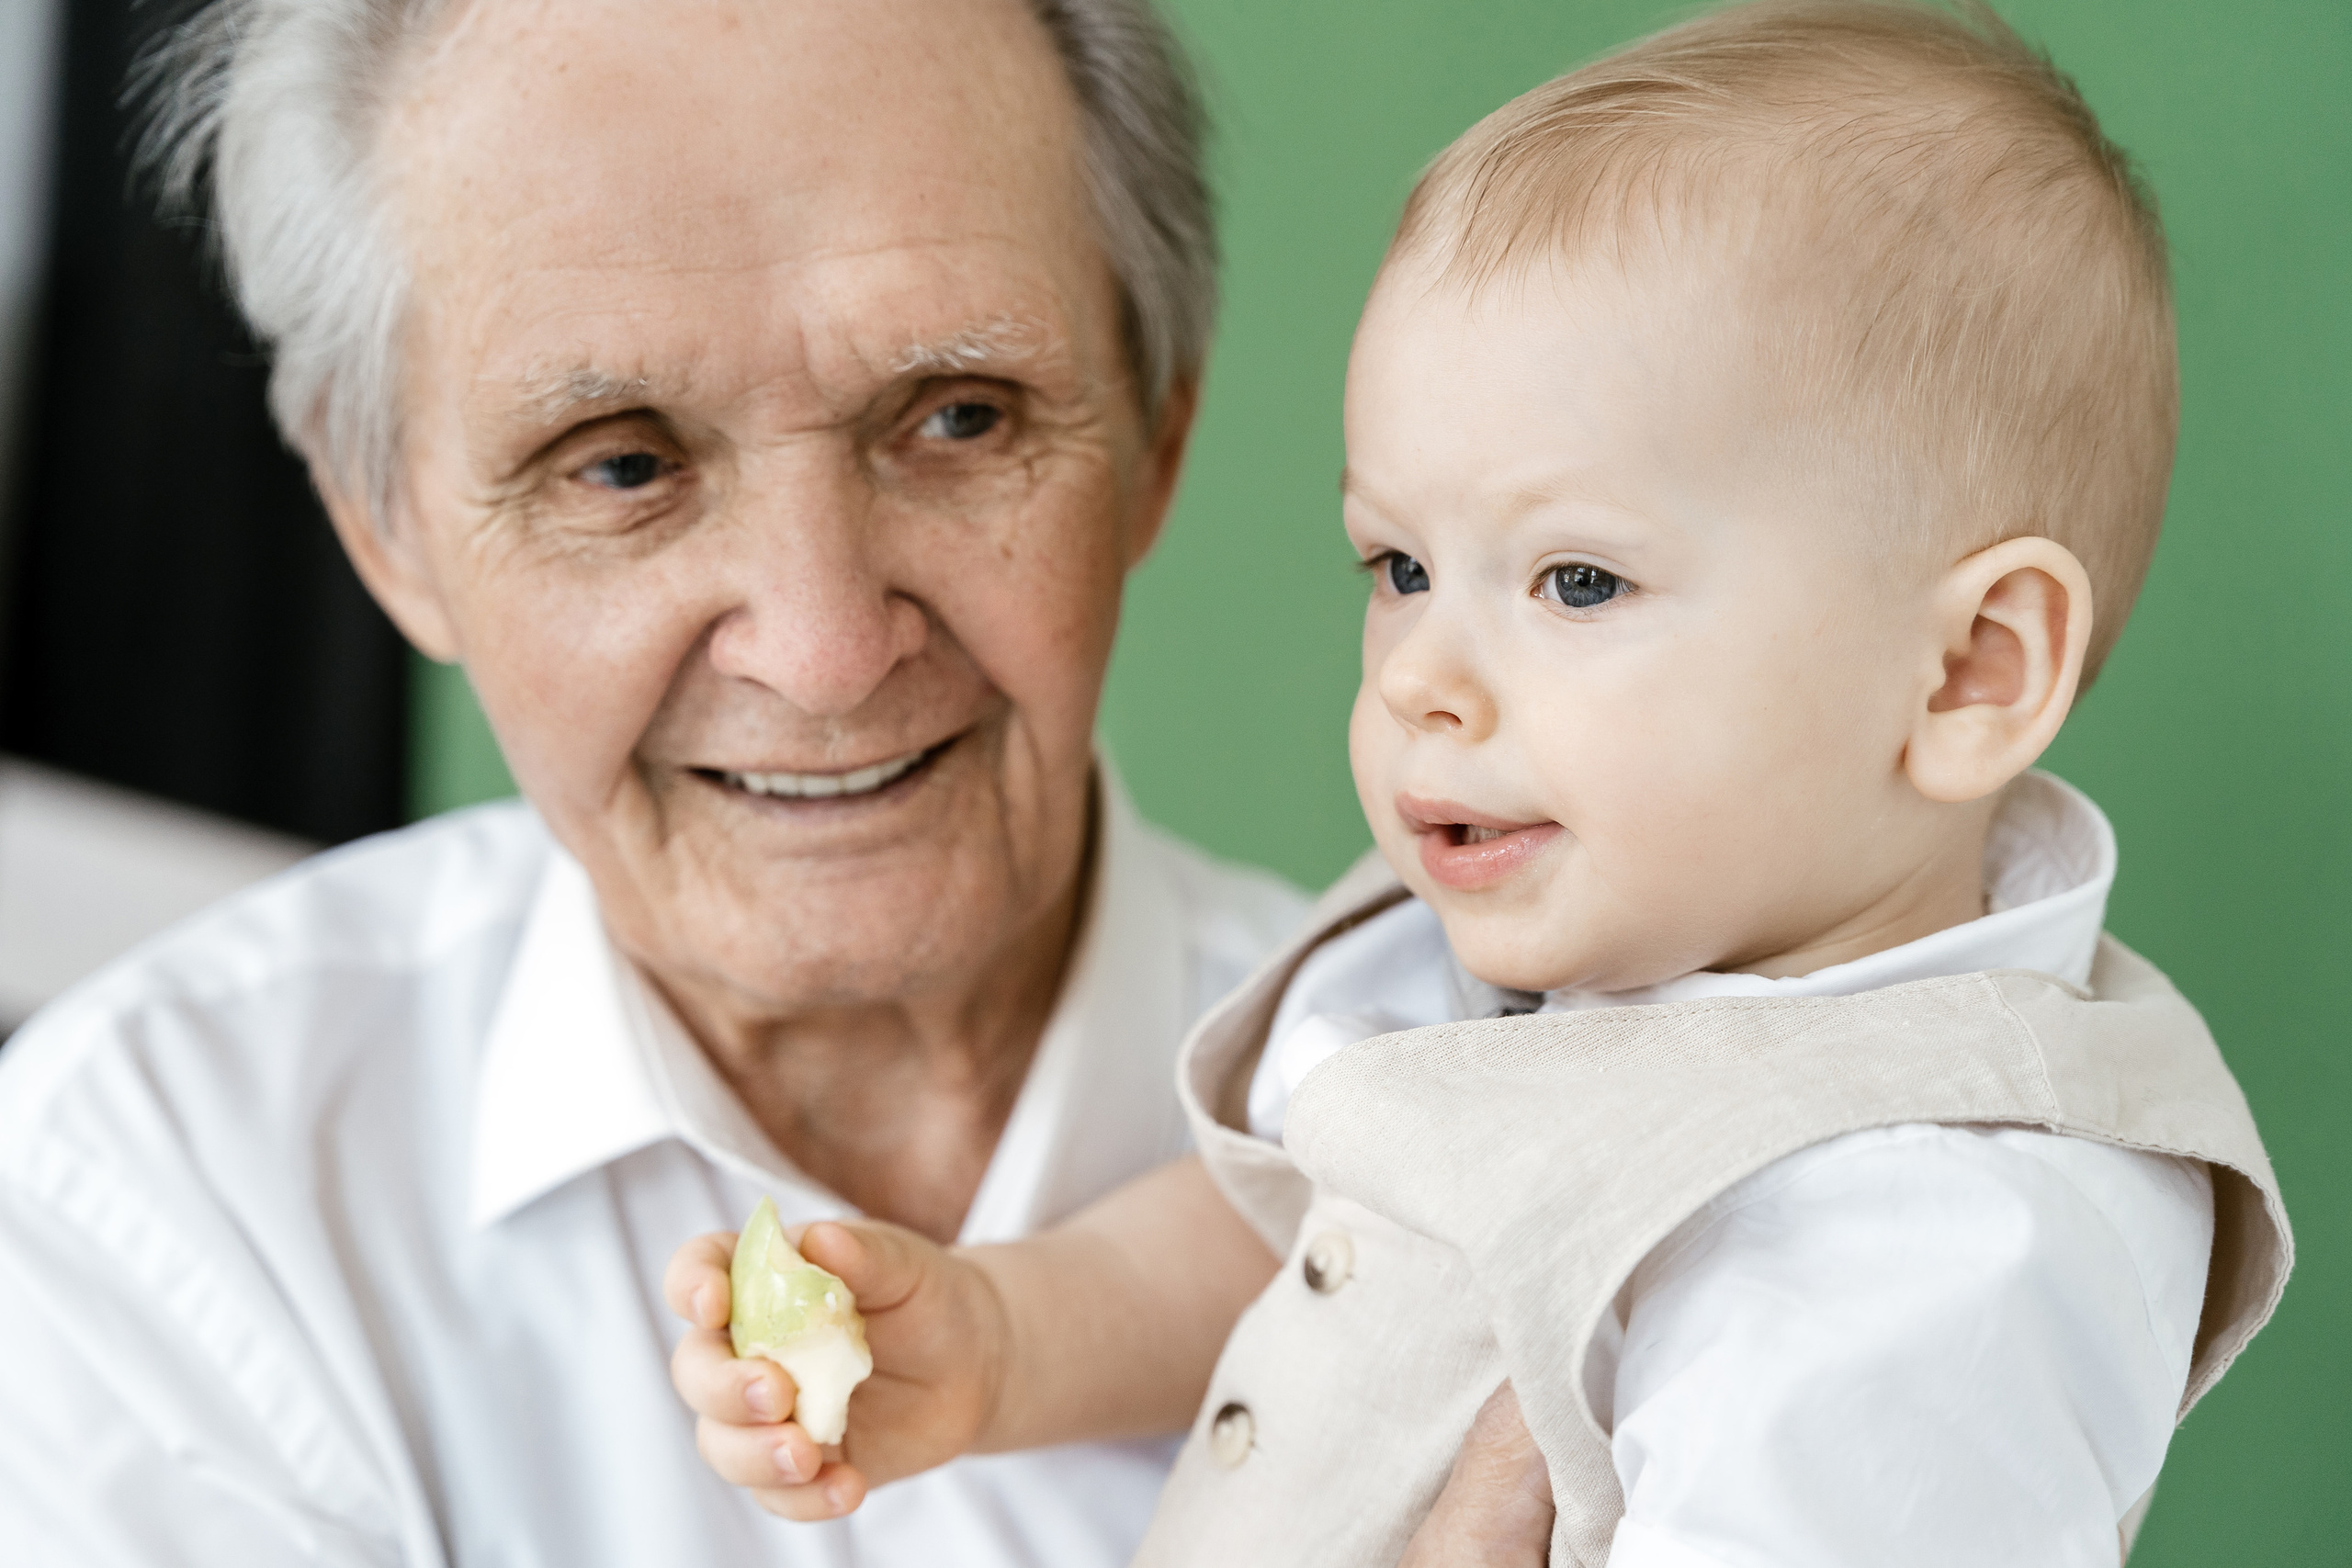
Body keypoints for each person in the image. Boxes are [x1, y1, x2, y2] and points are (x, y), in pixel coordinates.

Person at [664, 3, 2294, 1563]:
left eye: (1577, 582)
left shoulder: (1928, 1247)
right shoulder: (1598, 951)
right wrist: (1004, 1340)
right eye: (1401, 565)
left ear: (1969, 674)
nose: (1418, 676)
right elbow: (1324, 1236)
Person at [0, 2, 1333, 1563]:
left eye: (959, 415)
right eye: (621, 462)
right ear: (390, 533)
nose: (825, 649)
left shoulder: (1462, 1110)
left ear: (1155, 440)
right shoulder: (164, 1194)